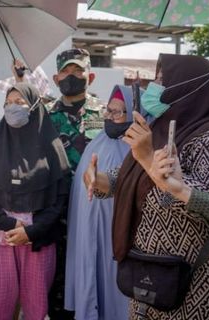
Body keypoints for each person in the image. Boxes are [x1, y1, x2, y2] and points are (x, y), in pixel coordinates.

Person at [85, 54, 209, 319]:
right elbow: (129, 178)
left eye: (162, 79)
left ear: (187, 86)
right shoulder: (162, 129)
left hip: (198, 284)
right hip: (150, 279)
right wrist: (98, 179)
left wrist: (148, 159)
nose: (154, 87)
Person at [0, 83, 70, 320]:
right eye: (9, 103)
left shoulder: (51, 148)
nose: (13, 107)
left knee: (36, 306)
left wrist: (32, 231)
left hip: (38, 239)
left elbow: (59, 199)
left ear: (35, 107)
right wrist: (9, 224)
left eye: (20, 102)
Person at [65, 86, 144, 320]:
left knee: (116, 293)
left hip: (118, 237)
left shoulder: (139, 148)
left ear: (132, 114)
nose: (110, 117)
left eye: (118, 113)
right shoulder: (96, 142)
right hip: (90, 232)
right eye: (108, 112)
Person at [44, 48, 105, 319]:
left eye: (78, 70)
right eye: (66, 71)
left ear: (89, 75)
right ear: (56, 79)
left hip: (95, 207)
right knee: (56, 276)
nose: (72, 76)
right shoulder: (43, 115)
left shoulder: (106, 112)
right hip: (55, 209)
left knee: (93, 271)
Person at [148, 147, 209, 241]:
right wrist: (181, 191)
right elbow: (166, 202)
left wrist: (146, 157)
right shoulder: (161, 137)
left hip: (193, 254)